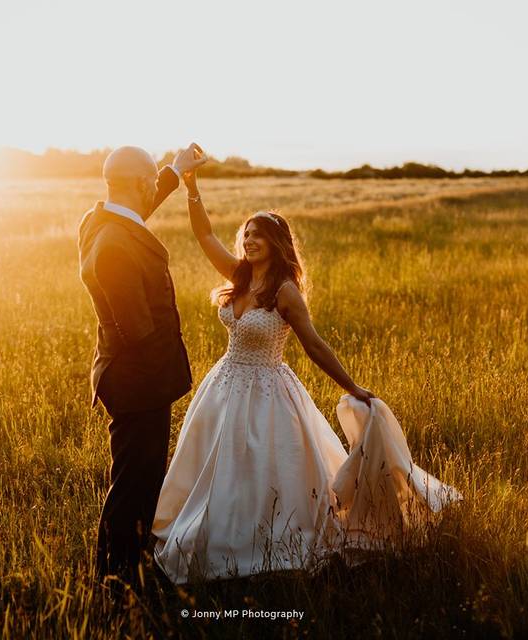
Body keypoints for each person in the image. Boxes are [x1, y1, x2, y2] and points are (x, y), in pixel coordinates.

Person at [152, 159, 462, 584]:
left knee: (266, 467)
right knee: (217, 466)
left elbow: (314, 345)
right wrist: (191, 185)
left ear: (278, 243)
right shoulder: (239, 276)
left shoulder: (285, 292)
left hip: (267, 391)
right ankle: (215, 526)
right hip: (224, 386)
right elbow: (204, 234)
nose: (250, 240)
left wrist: (352, 386)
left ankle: (264, 537)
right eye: (247, 234)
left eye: (259, 234)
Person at [77, 144, 206, 589]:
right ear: (135, 183)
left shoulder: (99, 221)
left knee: (133, 476)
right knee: (136, 483)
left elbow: (137, 210)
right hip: (139, 381)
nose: (153, 187)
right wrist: (165, 374)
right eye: (149, 179)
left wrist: (174, 171)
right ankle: (119, 578)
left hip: (128, 375)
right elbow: (137, 331)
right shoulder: (114, 245)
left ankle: (116, 567)